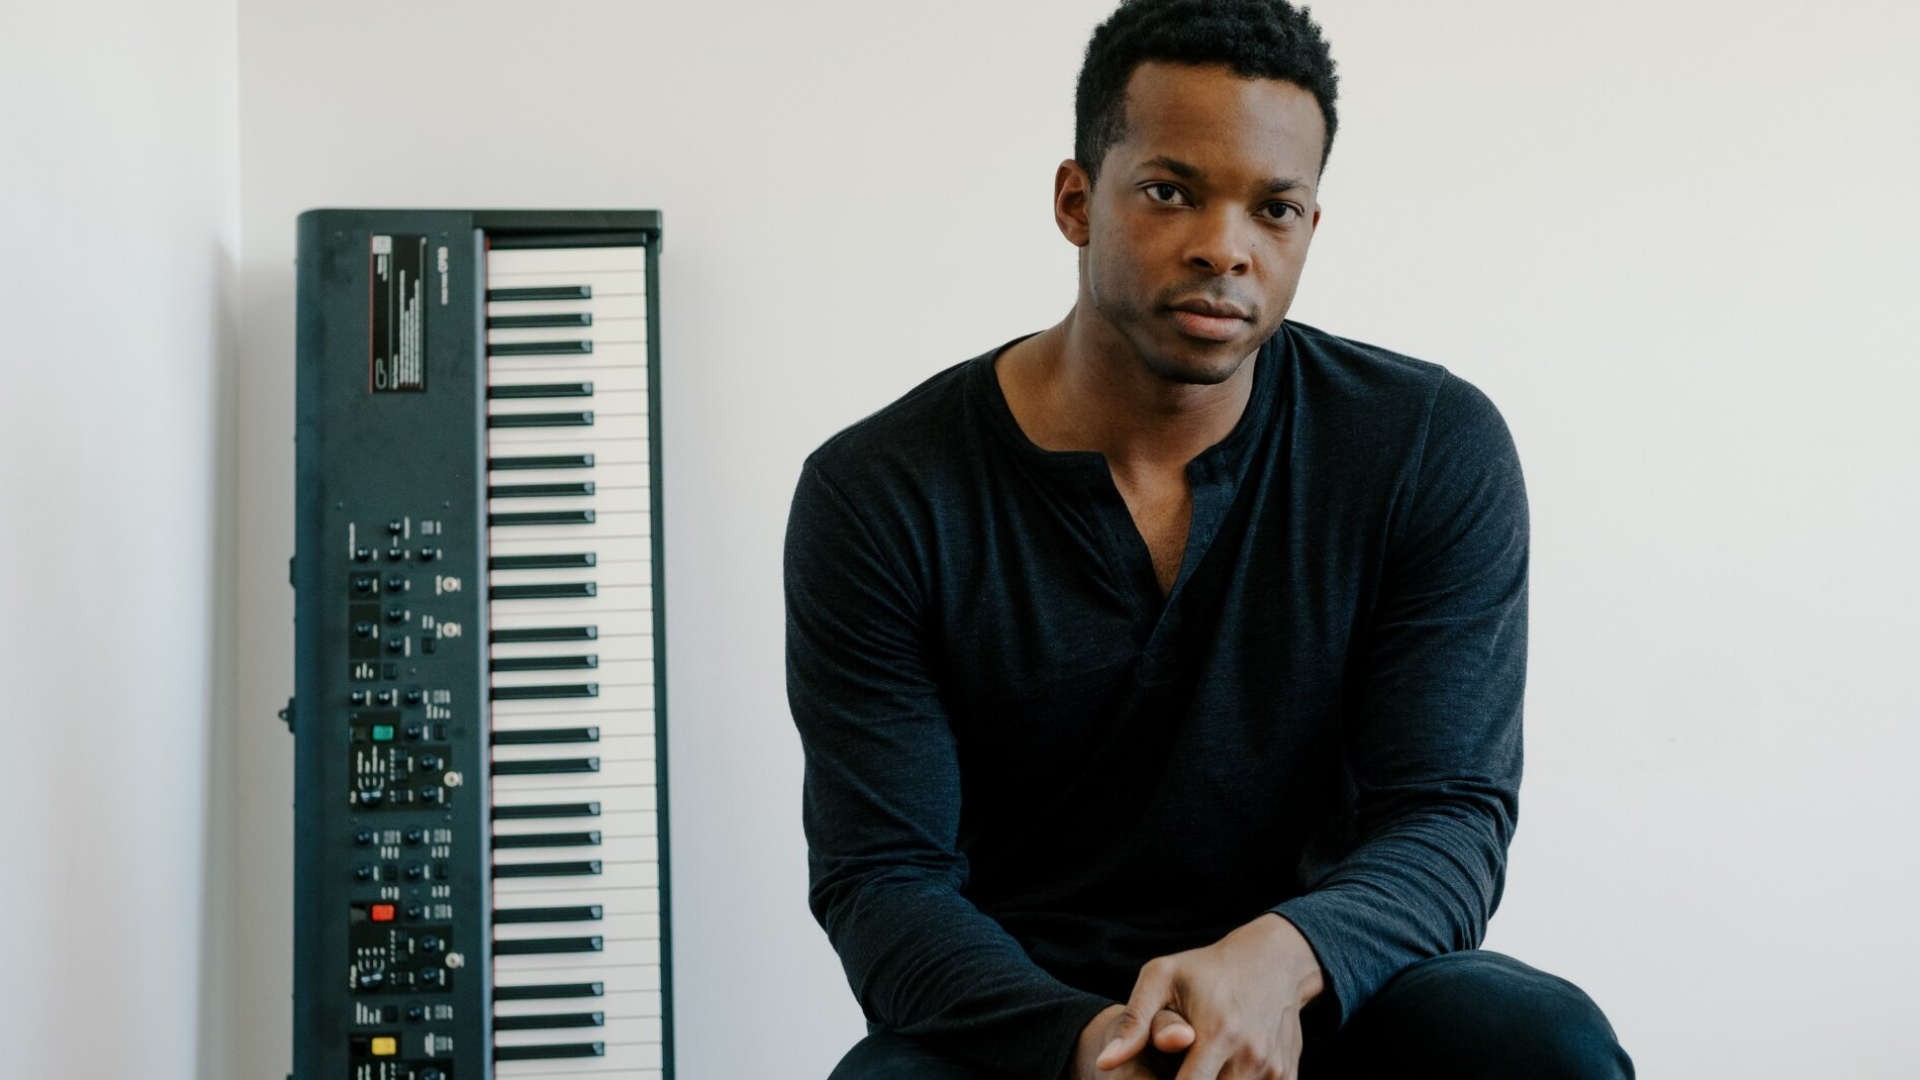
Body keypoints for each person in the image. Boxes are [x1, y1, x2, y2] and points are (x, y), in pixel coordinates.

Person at [784, 1, 1635, 1077]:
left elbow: (1448, 815)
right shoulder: (879, 492)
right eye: (1170, 192)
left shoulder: (1426, 445)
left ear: (1309, 226)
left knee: (1539, 1045)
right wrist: (1094, 1043)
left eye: (1274, 209)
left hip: (1321, 990)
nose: (1225, 249)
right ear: (1076, 200)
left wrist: (1278, 964)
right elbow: (884, 879)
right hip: (1033, 1020)